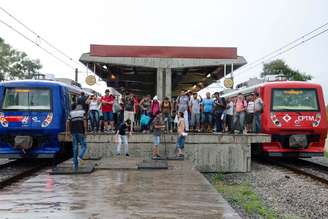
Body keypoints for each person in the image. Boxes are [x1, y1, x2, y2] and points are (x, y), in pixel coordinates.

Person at [66, 104, 87, 171]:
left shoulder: (71, 113)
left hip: (73, 132)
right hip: (80, 131)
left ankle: (75, 165)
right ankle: (80, 157)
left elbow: (67, 122)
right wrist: (86, 130)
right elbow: (84, 121)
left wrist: (68, 131)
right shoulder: (82, 112)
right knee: (84, 146)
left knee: (75, 148)